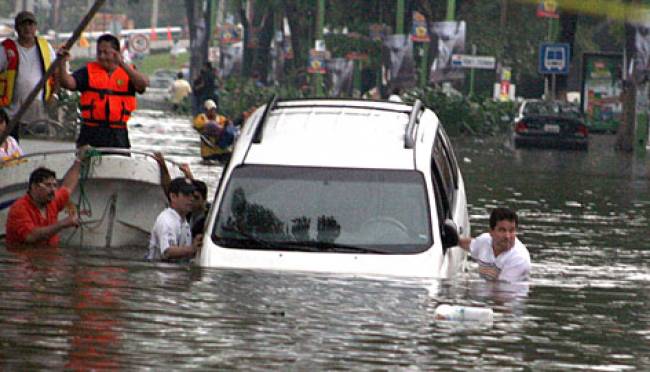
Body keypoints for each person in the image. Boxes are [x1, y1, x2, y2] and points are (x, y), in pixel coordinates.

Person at [57, 33, 149, 149]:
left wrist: (121, 63)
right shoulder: (88, 72)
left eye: (106, 52)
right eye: (99, 52)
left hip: (118, 134)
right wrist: (61, 62)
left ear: (116, 53)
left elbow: (142, 85)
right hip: (91, 132)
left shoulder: (128, 73)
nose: (102, 56)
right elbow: (68, 83)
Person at [5, 145, 91, 247]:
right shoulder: (19, 208)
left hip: (49, 256)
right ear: (34, 186)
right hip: (24, 258)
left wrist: (78, 160)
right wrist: (62, 224)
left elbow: (68, 186)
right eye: (48, 185)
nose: (53, 189)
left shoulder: (52, 199)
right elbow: (31, 236)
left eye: (55, 185)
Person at [0, 11, 57, 141]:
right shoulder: (6, 49)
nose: (27, 28)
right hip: (10, 113)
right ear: (17, 28)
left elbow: (56, 71)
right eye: (23, 25)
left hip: (37, 112)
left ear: (35, 27)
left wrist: (54, 94)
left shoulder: (45, 47)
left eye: (30, 25)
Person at [459, 207, 531, 283]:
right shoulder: (485, 241)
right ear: (491, 231)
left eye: (511, 230)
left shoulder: (519, 259)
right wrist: (454, 240)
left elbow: (501, 291)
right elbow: (470, 244)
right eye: (502, 230)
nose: (507, 236)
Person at [146, 177, 203, 261]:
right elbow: (168, 251)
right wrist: (192, 249)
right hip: (160, 271)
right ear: (173, 196)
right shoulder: (166, 220)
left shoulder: (183, 221)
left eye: (192, 195)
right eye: (186, 194)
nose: (191, 199)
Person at [192, 99, 235, 164]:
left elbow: (228, 128)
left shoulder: (221, 119)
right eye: (210, 109)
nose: (212, 111)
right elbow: (196, 125)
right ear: (206, 110)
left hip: (222, 151)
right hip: (209, 153)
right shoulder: (201, 118)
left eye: (213, 109)